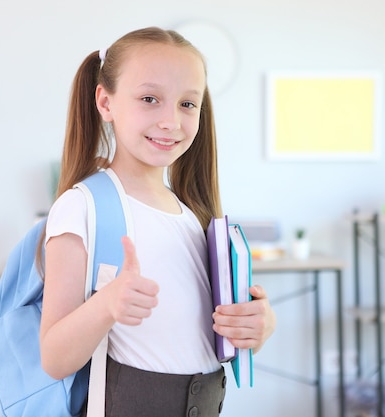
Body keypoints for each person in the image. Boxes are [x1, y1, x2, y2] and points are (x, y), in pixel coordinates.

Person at [38, 26, 276, 417]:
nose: (170, 121)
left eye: (187, 104)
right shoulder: (82, 207)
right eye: (150, 99)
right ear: (105, 101)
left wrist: (258, 325)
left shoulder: (191, 213)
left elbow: (198, 336)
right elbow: (54, 358)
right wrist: (107, 305)